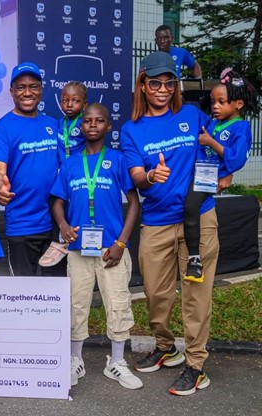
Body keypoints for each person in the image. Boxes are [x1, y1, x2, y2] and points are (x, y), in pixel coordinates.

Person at [120, 51, 218, 396]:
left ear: (175, 85)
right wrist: (149, 174)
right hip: (158, 222)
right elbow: (135, 176)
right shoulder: (131, 130)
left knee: (195, 295)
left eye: (169, 82)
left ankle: (196, 364)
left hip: (199, 219)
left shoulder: (191, 116)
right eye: (155, 83)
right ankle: (166, 347)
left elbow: (222, 145)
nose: (162, 89)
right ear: (143, 86)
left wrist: (227, 171)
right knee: (155, 294)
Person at [51, 103, 142, 390]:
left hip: (111, 250)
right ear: (81, 127)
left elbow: (134, 203)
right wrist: (63, 226)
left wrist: (121, 242)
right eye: (87, 121)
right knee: (77, 304)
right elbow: (56, 201)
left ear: (108, 126)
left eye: (99, 120)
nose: (92, 125)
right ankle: (74, 360)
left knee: (117, 303)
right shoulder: (70, 163)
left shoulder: (116, 160)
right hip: (78, 250)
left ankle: (116, 362)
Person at [182, 68, 259, 282]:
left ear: (238, 104)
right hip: (198, 172)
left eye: (221, 102)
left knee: (190, 207)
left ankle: (194, 259)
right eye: (213, 101)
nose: (215, 106)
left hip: (209, 179)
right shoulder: (215, 122)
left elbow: (236, 159)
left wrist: (212, 143)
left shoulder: (241, 128)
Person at [0, 62, 60, 276]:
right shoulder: (2, 128)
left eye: (33, 86)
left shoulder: (54, 125)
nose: (27, 92)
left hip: (56, 224)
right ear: (11, 91)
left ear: (41, 90)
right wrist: (0, 186)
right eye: (20, 87)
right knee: (22, 295)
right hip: (22, 225)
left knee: (54, 292)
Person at [39, 81, 88, 267]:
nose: (69, 104)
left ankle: (75, 239)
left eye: (75, 101)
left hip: (79, 172)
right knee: (56, 203)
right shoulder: (59, 124)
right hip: (62, 174)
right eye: (65, 100)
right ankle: (59, 242)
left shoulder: (85, 123)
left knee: (76, 205)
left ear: (84, 104)